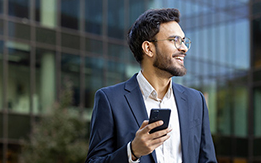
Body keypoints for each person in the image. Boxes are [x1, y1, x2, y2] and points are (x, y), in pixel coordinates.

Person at [86, 8, 217, 163]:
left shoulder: (196, 100)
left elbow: (207, 160)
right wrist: (132, 152)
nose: (183, 48)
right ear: (148, 48)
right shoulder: (110, 100)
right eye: (174, 40)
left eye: (183, 41)